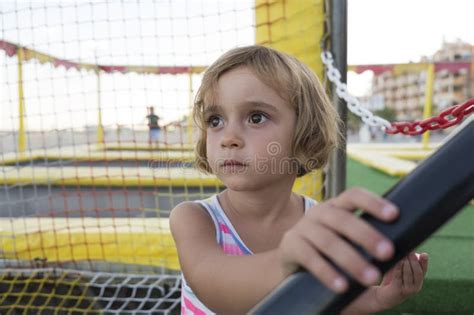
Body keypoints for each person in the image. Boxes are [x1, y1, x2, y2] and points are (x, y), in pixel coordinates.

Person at [170, 46, 429, 314]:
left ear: (304, 133)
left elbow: (324, 294)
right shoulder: (194, 218)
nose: (228, 137)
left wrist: (378, 298)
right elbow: (214, 286)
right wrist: (285, 261)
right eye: (215, 120)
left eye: (256, 117)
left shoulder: (314, 220)